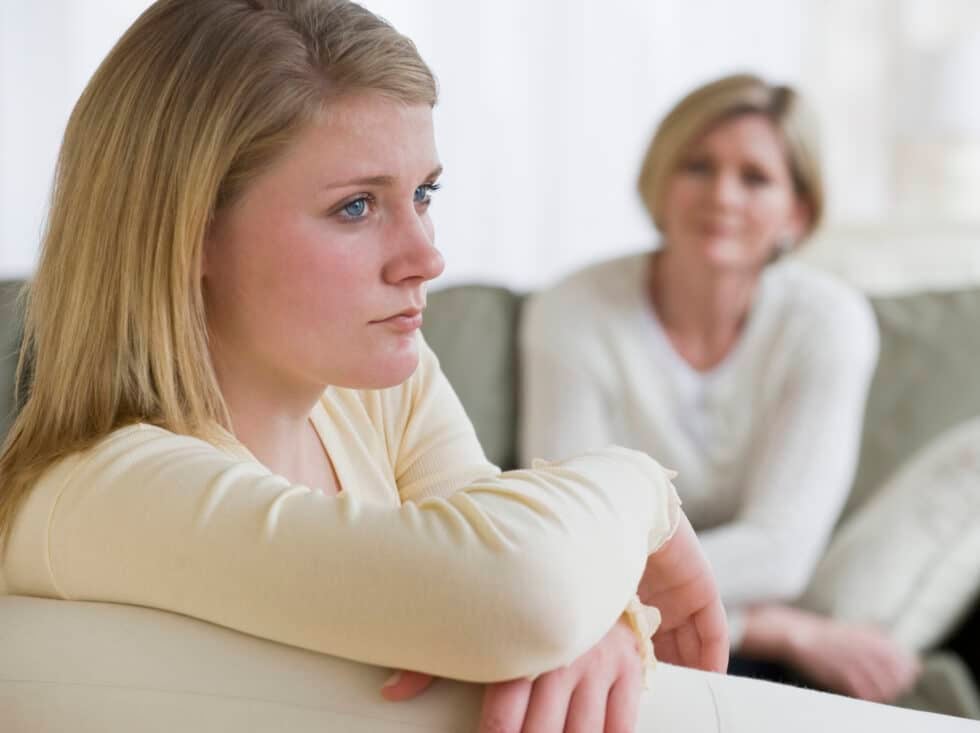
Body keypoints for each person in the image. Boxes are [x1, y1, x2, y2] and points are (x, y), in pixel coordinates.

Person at [0, 5, 961, 730]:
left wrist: (595, 617)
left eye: (424, 192)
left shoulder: (379, 386)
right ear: (187, 234)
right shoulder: (100, 493)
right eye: (355, 207)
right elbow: (524, 588)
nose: (427, 256)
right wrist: (640, 490)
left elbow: (523, 583)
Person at [519, 74, 923, 703]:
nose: (722, 196)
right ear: (660, 179)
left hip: (649, 608)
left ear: (798, 211)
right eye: (698, 167)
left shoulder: (828, 322)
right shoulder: (574, 310)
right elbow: (573, 535)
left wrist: (662, 602)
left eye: (754, 178)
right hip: (625, 613)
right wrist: (775, 628)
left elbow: (782, 553)